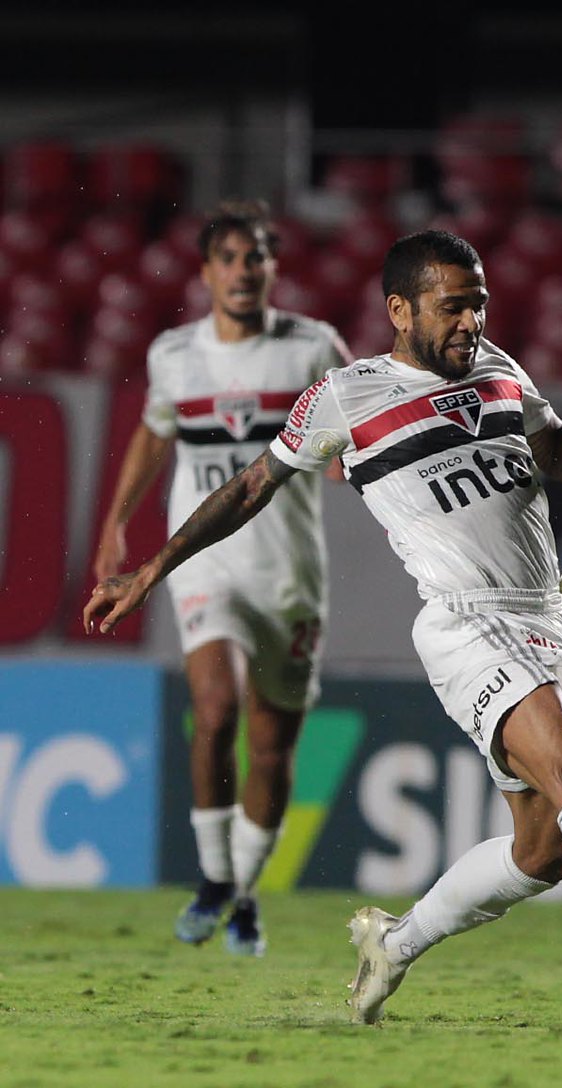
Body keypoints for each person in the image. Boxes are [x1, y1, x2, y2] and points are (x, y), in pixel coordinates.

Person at [85, 229, 562, 1038]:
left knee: (543, 851)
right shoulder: (347, 397)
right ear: (399, 309)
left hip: (547, 620)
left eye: (480, 304)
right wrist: (154, 565)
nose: (471, 321)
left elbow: (551, 452)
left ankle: (396, 942)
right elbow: (253, 484)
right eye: (453, 306)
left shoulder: (500, 370)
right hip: (466, 624)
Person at [93, 199, 351, 956]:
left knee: (271, 749)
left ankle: (241, 894)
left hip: (292, 573)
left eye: (258, 255)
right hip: (207, 565)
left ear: (274, 268)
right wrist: (116, 520)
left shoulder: (312, 348)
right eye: (231, 256)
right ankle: (211, 877)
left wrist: (350, 458)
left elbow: (357, 420)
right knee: (214, 709)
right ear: (206, 272)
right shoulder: (174, 355)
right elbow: (154, 430)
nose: (245, 269)